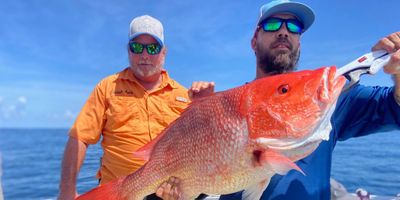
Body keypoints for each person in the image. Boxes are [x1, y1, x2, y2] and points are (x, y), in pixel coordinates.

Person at [215, 0, 400, 199]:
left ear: (299, 43)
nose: (284, 32)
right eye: (272, 24)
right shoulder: (223, 107)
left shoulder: (328, 99)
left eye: (294, 27)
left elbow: (393, 107)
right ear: (254, 41)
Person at [57, 15, 213, 200]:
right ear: (128, 51)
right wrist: (66, 192)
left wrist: (206, 106)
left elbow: (204, 146)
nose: (145, 55)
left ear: (164, 52)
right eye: (137, 47)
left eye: (153, 48)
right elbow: (79, 138)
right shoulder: (107, 87)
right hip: (117, 193)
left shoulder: (185, 94)